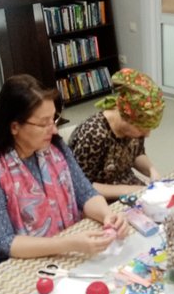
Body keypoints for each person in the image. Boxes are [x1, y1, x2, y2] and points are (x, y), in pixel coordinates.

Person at [0, 74, 128, 263]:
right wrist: (68, 244)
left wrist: (108, 215)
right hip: (11, 262)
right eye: (44, 123)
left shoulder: (54, 147)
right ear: (14, 127)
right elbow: (4, 241)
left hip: (61, 248)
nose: (54, 130)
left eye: (54, 119)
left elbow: (86, 193)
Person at [68, 68, 165, 200]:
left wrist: (151, 170)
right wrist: (130, 190)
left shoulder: (133, 130)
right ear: (126, 118)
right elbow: (81, 186)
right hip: (99, 200)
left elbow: (137, 153)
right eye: (142, 129)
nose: (147, 135)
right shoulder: (93, 134)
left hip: (129, 187)